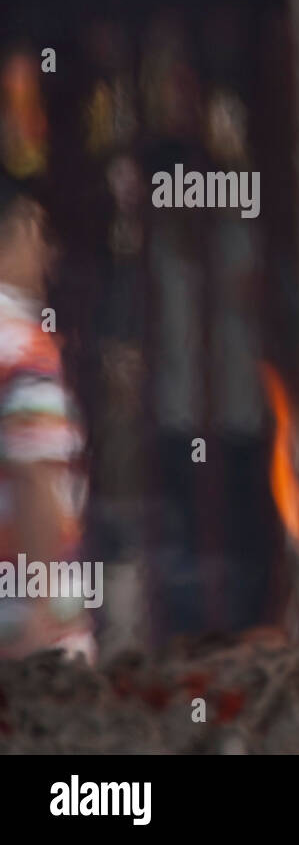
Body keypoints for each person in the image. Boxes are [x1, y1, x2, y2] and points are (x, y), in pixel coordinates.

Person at [0, 173, 94, 661]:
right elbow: (34, 472)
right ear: (16, 232)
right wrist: (39, 607)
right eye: (40, 235)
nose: (49, 256)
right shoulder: (22, 345)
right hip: (22, 623)